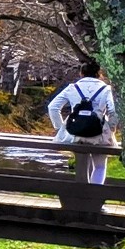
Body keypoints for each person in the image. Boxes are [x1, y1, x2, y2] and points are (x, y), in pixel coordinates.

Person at [48, 57, 119, 185]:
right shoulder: (106, 89)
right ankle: (93, 200)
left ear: (81, 73)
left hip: (76, 133)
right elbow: (113, 112)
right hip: (99, 134)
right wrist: (112, 128)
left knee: (81, 166)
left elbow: (53, 107)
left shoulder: (72, 88)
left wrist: (60, 128)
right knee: (100, 167)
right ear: (99, 74)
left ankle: (81, 199)